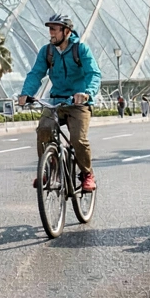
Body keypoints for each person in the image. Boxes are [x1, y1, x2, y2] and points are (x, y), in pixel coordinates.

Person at [17, 13, 101, 193]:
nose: (51, 33)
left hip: (78, 103)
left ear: (67, 31)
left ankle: (87, 174)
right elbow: (36, 73)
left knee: (78, 139)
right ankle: (49, 168)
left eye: (54, 30)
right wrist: (26, 93)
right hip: (56, 100)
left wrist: (87, 93)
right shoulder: (47, 51)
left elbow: (94, 74)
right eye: (50, 30)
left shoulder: (81, 49)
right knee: (43, 130)